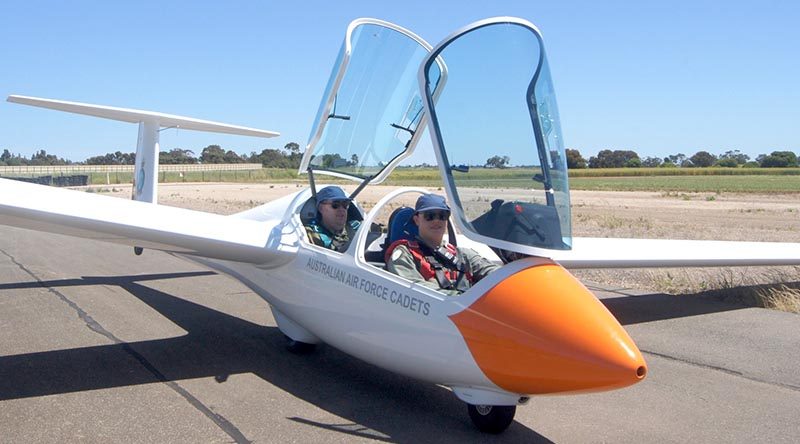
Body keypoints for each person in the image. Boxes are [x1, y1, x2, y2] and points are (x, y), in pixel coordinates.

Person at [386, 194, 499, 295]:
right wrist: (460, 298)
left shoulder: (462, 254)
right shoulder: (405, 253)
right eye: (429, 216)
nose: (436, 221)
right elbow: (411, 288)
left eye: (442, 215)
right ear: (417, 220)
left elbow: (493, 272)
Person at [305, 186, 361, 252]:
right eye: (335, 205)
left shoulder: (357, 227)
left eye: (345, 205)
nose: (341, 209)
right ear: (321, 208)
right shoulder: (312, 234)